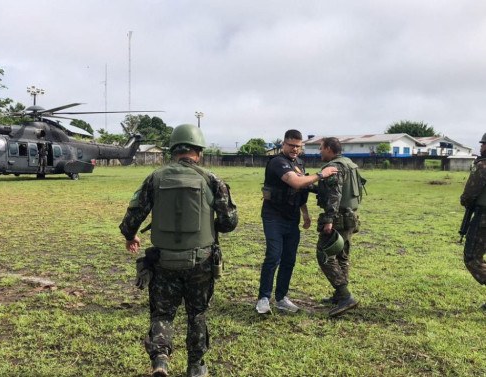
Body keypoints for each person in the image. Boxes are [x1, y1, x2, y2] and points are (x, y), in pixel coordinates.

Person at [119, 124, 238, 377]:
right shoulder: (212, 179)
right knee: (197, 314)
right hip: (201, 261)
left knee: (162, 312)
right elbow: (229, 223)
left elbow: (132, 218)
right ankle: (196, 366)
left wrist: (131, 236)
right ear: (199, 151)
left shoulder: (154, 178)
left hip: (163, 262)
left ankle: (160, 359)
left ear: (172, 151)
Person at [255, 130, 339, 314]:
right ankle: (263, 298)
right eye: (291, 145)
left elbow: (301, 191)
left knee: (289, 259)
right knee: (273, 256)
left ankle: (282, 298)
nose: (294, 149)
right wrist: (321, 174)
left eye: (298, 146)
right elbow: (296, 183)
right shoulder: (278, 162)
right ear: (283, 144)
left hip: (292, 217)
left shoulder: (298, 163)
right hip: (273, 216)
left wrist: (306, 214)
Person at [315, 137, 364, 317]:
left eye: (321, 148)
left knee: (324, 254)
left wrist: (329, 219)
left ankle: (345, 296)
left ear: (329, 148)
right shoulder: (349, 164)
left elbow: (335, 194)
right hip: (350, 216)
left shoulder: (333, 167)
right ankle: (339, 295)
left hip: (337, 217)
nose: (319, 151)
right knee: (342, 256)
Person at [460, 133, 486, 310]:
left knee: (472, 257)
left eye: (483, 144)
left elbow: (469, 195)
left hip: (483, 217)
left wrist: (466, 202)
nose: (481, 147)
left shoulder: (482, 166)